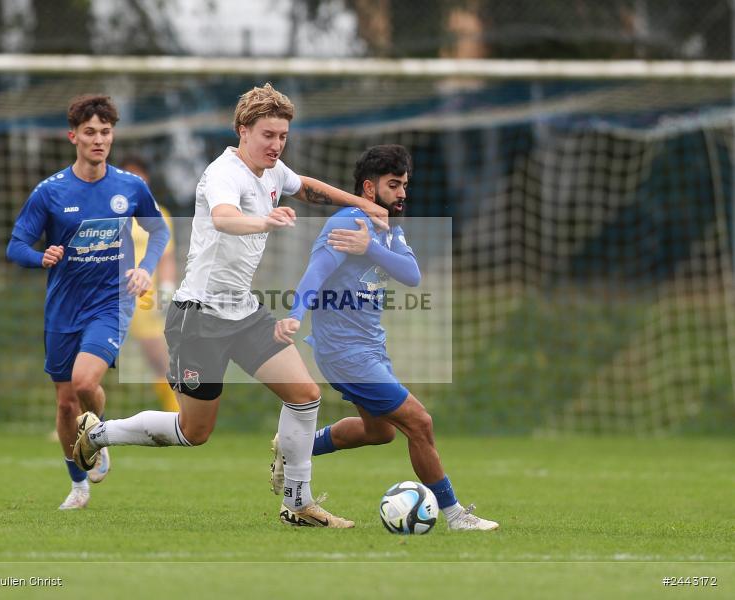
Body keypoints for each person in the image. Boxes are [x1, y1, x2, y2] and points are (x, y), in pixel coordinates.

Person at [71, 83, 387, 528]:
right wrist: (265, 219)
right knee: (193, 432)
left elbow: (307, 187)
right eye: (268, 135)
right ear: (243, 130)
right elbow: (223, 217)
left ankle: (298, 503)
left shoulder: (273, 172)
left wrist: (361, 203)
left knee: (305, 395)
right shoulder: (223, 172)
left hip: (245, 312)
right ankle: (98, 433)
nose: (276, 145)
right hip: (198, 317)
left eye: (282, 136)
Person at [270, 144, 499, 531]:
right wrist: (293, 316)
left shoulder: (388, 231)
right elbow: (315, 274)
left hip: (370, 348)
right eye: (394, 185)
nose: (403, 193)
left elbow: (412, 275)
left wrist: (371, 247)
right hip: (344, 352)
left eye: (405, 185)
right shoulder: (346, 222)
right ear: (369, 188)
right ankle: (456, 515)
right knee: (419, 422)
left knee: (380, 432)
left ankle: (293, 448)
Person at [6, 95, 170, 510]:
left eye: (106, 132)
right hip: (63, 306)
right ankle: (78, 485)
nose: (99, 140)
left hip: (110, 303)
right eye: (91, 132)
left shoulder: (130, 187)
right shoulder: (50, 192)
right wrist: (39, 257)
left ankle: (99, 436)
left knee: (84, 383)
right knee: (64, 403)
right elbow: (16, 244)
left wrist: (146, 267)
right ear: (73, 136)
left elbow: (159, 232)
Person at [121, 154, 179, 412]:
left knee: (159, 358)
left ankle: (177, 414)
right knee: (91, 357)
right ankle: (77, 418)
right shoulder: (108, 213)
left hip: (145, 298)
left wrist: (166, 291)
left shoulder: (158, 214)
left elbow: (166, 258)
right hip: (111, 295)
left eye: (139, 176)